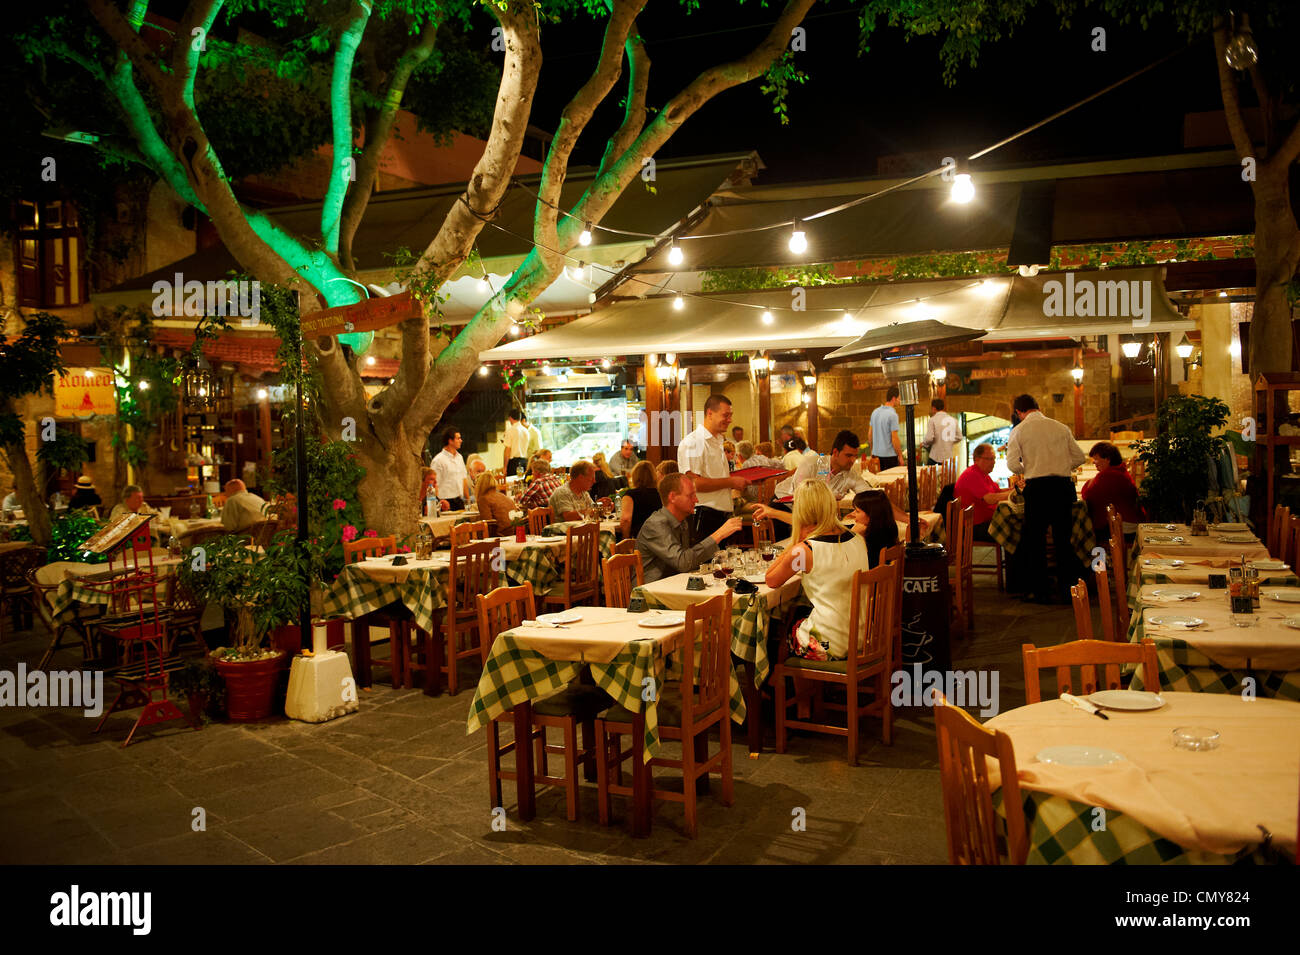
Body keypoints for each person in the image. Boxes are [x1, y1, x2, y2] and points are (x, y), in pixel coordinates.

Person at [764, 481, 869, 661]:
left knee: (779, 630)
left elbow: (771, 579)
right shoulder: (858, 538)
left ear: (801, 511)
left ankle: (775, 684)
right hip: (863, 634)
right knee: (799, 613)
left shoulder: (804, 550)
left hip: (831, 644)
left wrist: (796, 540)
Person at [1005, 393, 1087, 603]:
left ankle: (1040, 591)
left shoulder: (1019, 430)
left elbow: (1013, 464)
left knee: (1036, 541)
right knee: (1063, 540)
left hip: (1038, 488)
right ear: (1038, 407)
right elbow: (1079, 457)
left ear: (1018, 412)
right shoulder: (1060, 427)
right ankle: (1068, 591)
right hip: (1062, 487)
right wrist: (1059, 467)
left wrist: (1031, 468)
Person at [636, 473, 744, 584]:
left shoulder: (682, 521)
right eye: (691, 495)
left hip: (673, 587)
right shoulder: (656, 524)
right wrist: (719, 534)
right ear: (672, 497)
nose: (696, 500)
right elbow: (683, 563)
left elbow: (689, 560)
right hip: (650, 593)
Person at [677, 394, 749, 543]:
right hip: (705, 517)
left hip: (721, 515)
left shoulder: (717, 441)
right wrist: (731, 482)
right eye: (726, 415)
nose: (730, 420)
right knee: (708, 566)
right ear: (710, 413)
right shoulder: (694, 442)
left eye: (731, 415)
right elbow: (694, 484)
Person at [1081, 441, 1143, 543]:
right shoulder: (1119, 471)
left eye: (1096, 458)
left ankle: (1095, 557)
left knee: (1086, 529)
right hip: (1132, 523)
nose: (1093, 462)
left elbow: (1087, 495)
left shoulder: (1109, 475)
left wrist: (1092, 481)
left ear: (1108, 459)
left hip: (1124, 527)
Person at [956, 443, 1019, 541]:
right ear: (976, 459)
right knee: (1014, 528)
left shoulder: (983, 474)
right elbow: (990, 499)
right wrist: (1014, 493)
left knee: (1017, 524)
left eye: (994, 458)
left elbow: (997, 492)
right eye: (989, 459)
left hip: (985, 521)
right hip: (973, 527)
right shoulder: (972, 474)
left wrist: (1016, 489)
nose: (993, 462)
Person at [848, 489, 900, 568]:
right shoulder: (887, 528)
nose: (853, 514)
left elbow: (850, 560)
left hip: (868, 577)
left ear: (872, 514)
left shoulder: (873, 539)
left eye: (857, 511)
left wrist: (853, 535)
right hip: (884, 576)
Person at [619, 460, 661, 540]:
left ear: (634, 476)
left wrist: (626, 540)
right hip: (659, 539)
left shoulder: (630, 495)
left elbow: (626, 520)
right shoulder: (660, 494)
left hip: (639, 540)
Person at [432, 428, 469, 511]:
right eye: (458, 438)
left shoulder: (460, 457)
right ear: (450, 441)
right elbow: (434, 484)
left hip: (459, 501)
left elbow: (464, 480)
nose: (461, 440)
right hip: (445, 502)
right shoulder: (438, 460)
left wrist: (468, 500)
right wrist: (437, 505)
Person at [867, 386, 903, 470]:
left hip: (876, 456)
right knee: (890, 482)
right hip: (889, 457)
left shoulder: (875, 412)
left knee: (879, 481)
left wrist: (872, 451)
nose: (900, 401)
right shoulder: (893, 415)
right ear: (894, 398)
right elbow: (894, 438)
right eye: (899, 399)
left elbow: (870, 435)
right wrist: (900, 456)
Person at [922, 398, 959, 464]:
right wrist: (948, 442)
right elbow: (959, 437)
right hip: (948, 457)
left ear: (933, 408)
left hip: (935, 456)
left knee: (932, 474)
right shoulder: (953, 420)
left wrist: (924, 444)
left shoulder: (933, 420)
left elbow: (929, 438)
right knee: (947, 474)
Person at [503, 409, 527, 476]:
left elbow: (507, 450)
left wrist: (504, 467)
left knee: (511, 484)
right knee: (522, 483)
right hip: (524, 461)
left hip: (514, 463)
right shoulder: (526, 431)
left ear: (510, 418)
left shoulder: (510, 431)